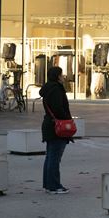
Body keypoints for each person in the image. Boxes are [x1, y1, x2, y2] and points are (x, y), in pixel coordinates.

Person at [40, 66, 72, 194]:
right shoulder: (56, 89)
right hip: (57, 127)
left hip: (49, 124)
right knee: (54, 157)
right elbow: (58, 108)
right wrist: (67, 119)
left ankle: (49, 184)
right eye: (61, 74)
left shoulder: (48, 88)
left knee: (50, 156)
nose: (63, 76)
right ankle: (54, 186)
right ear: (57, 76)